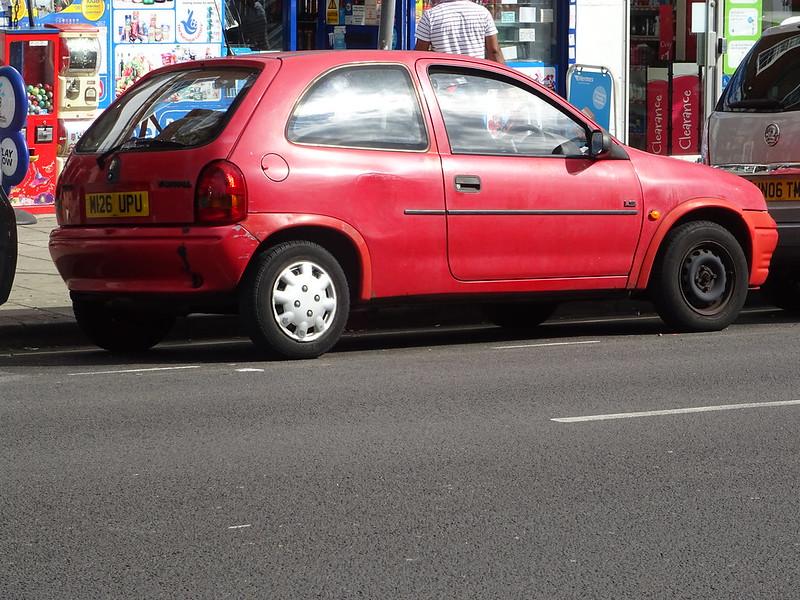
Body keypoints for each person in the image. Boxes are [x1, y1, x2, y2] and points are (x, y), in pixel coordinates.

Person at [414, 0, 505, 64]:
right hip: (476, 79)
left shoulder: (430, 16)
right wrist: (506, 81)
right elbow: (494, 51)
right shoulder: (483, 13)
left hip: (444, 82)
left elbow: (420, 54)